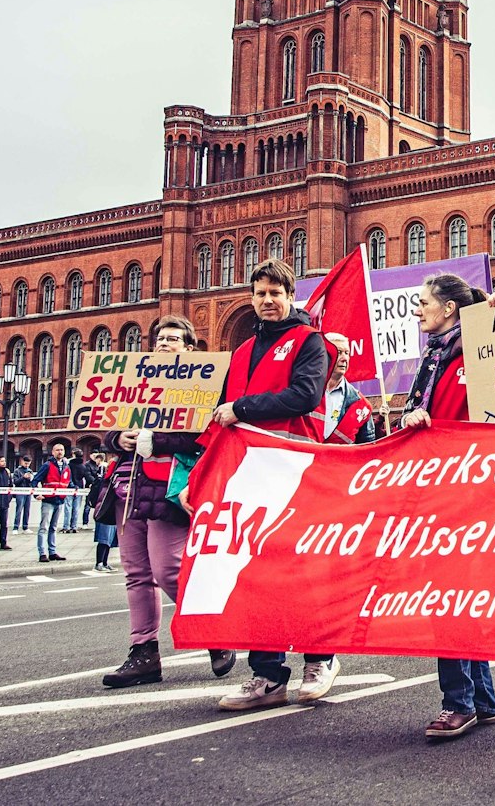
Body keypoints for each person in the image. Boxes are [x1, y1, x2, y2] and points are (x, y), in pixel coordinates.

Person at [209, 258, 345, 712]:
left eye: (276, 293)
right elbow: (220, 416)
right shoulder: (242, 352)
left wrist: (243, 408)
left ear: (290, 296)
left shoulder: (310, 341)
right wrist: (199, 476)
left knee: (302, 570)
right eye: (260, 293)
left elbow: (304, 395)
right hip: (250, 473)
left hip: (296, 470)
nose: (268, 301)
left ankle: (320, 658)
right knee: (255, 575)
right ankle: (267, 675)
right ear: (251, 298)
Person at [102, 316, 238, 689]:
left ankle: (212, 630)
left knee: (168, 570)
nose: (164, 343)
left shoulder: (201, 385)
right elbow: (106, 422)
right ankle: (143, 652)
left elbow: (203, 435)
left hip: (168, 487)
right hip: (127, 486)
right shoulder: (136, 381)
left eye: (173, 339)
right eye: (160, 338)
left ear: (190, 348)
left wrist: (155, 440)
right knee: (136, 574)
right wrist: (118, 439)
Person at [400, 272, 495, 739]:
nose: (417, 309)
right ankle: (481, 699)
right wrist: (413, 417)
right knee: (458, 596)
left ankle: (458, 702)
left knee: (449, 596)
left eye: (423, 302)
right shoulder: (434, 357)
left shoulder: (478, 350)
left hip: (467, 492)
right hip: (439, 490)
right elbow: (419, 412)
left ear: (449, 309)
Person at [34, 442, 72, 562]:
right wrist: (36, 494)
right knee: (44, 527)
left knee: (54, 527)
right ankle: (42, 553)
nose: (60, 452)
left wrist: (75, 489)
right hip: (48, 500)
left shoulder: (66, 466)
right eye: (57, 450)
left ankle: (52, 552)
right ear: (53, 452)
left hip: (60, 500)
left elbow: (68, 482)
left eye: (62, 450)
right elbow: (35, 480)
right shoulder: (47, 465)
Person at [11, 456, 34, 532]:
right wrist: (23, 477)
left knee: (27, 510)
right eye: (25, 463)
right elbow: (15, 482)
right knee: (19, 509)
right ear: (22, 462)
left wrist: (30, 479)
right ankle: (16, 527)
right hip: (20, 491)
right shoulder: (17, 471)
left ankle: (25, 526)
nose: (27, 465)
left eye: (28, 464)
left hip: (28, 492)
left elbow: (32, 483)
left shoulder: (30, 471)